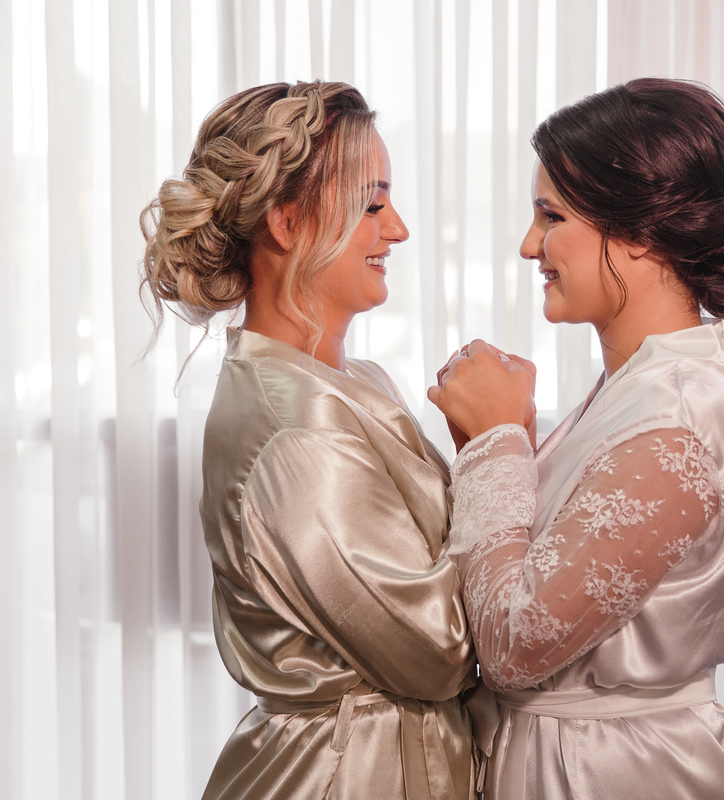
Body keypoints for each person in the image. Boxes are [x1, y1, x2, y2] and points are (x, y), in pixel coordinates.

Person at [427, 78, 724, 799]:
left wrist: (496, 442)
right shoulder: (638, 389)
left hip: (614, 774)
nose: (529, 245)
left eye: (551, 216)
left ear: (641, 231)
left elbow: (514, 644)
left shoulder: (678, 415)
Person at [140, 81, 477, 800]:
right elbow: (439, 651)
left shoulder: (356, 381)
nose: (398, 230)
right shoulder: (297, 432)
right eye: (373, 205)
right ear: (288, 223)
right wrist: (493, 453)